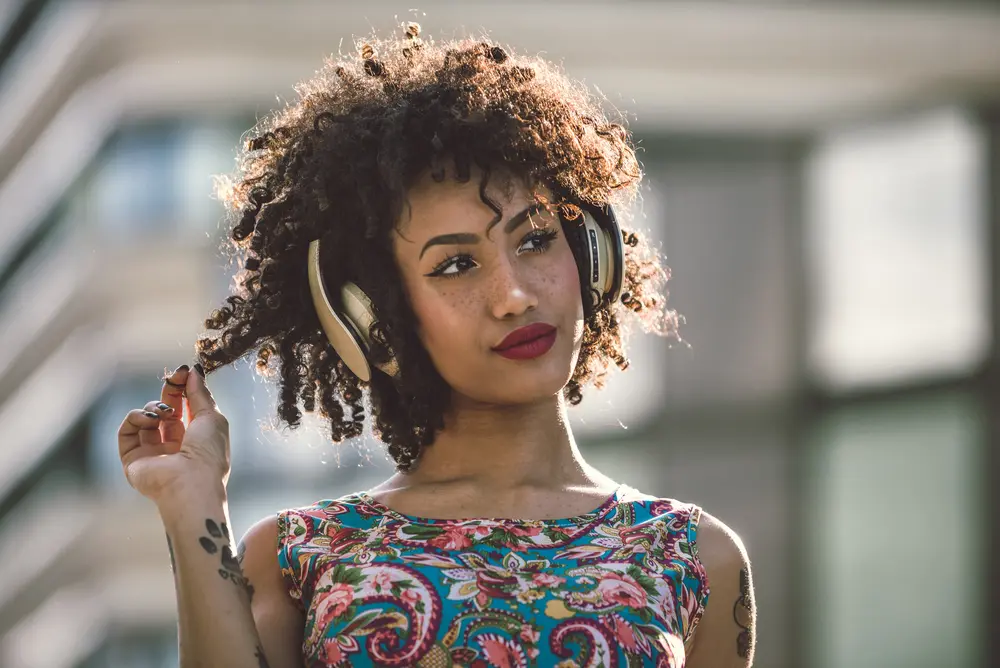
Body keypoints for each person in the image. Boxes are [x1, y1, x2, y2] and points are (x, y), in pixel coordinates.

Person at [117, 23, 756, 668]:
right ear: (375, 320)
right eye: (455, 266)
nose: (514, 295)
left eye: (534, 240)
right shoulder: (296, 558)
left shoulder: (696, 557)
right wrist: (190, 507)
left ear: (592, 253)